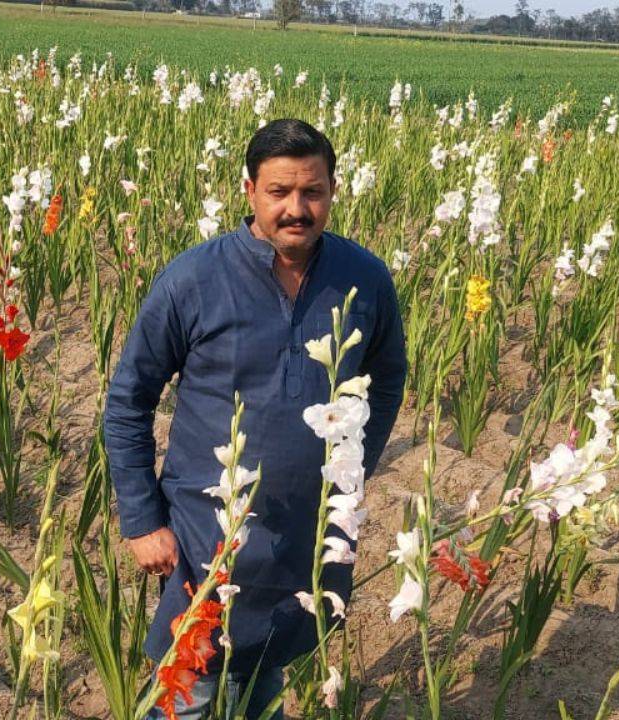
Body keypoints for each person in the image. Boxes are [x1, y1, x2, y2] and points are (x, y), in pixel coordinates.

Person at [103, 118, 407, 719]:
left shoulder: (365, 279)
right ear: (249, 192)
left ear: (333, 190)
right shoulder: (194, 279)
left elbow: (388, 378)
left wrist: (349, 471)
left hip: (304, 533)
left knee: (266, 676)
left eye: (312, 192)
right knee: (188, 687)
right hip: (204, 530)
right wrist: (141, 521)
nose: (297, 208)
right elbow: (128, 401)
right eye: (279, 192)